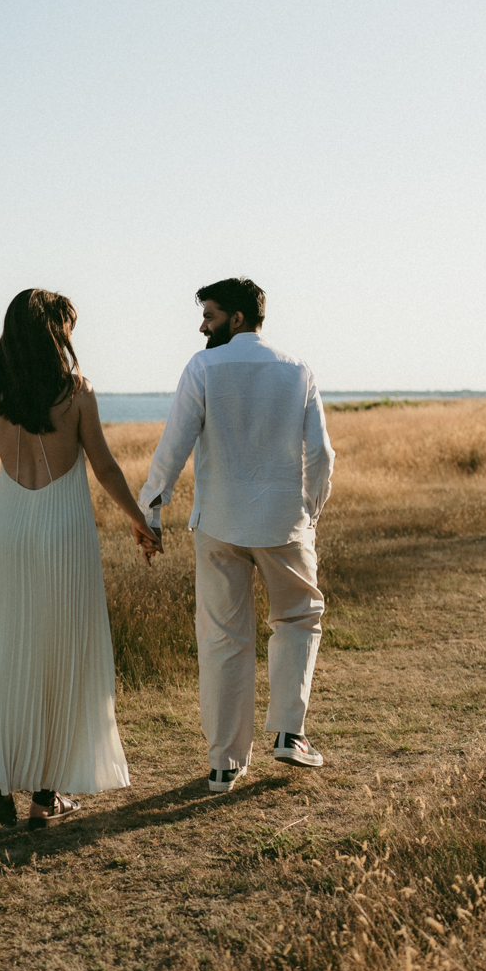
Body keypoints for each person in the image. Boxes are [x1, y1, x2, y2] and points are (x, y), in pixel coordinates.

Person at [0, 288, 162, 830]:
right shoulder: (77, 393)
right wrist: (140, 521)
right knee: (63, 653)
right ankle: (46, 797)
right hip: (65, 532)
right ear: (55, 333)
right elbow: (106, 469)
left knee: (7, 648)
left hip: (14, 532)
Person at [138, 277, 335, 792]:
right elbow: (322, 456)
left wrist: (152, 510)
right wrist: (308, 511)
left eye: (210, 315)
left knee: (223, 639)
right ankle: (290, 734)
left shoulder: (202, 367)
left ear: (239, 319)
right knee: (297, 618)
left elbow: (174, 445)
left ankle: (225, 763)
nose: (202, 325)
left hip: (218, 526)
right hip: (282, 523)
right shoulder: (298, 370)